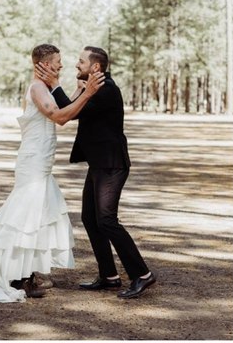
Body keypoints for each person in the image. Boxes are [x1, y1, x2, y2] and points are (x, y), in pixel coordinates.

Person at [0, 44, 105, 302]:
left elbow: (68, 108)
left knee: (39, 218)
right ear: (44, 64)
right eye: (57, 61)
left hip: (43, 163)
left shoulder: (46, 88)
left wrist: (80, 93)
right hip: (33, 162)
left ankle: (26, 275)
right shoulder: (36, 89)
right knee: (24, 217)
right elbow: (59, 116)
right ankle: (11, 276)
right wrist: (87, 94)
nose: (61, 65)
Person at [36, 46, 156, 299]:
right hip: (99, 164)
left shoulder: (106, 89)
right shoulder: (96, 88)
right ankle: (109, 276)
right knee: (90, 219)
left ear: (95, 68)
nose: (76, 65)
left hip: (112, 164)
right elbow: (72, 107)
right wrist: (65, 89)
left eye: (81, 62)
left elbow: (70, 114)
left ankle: (142, 274)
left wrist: (55, 85)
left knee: (107, 220)